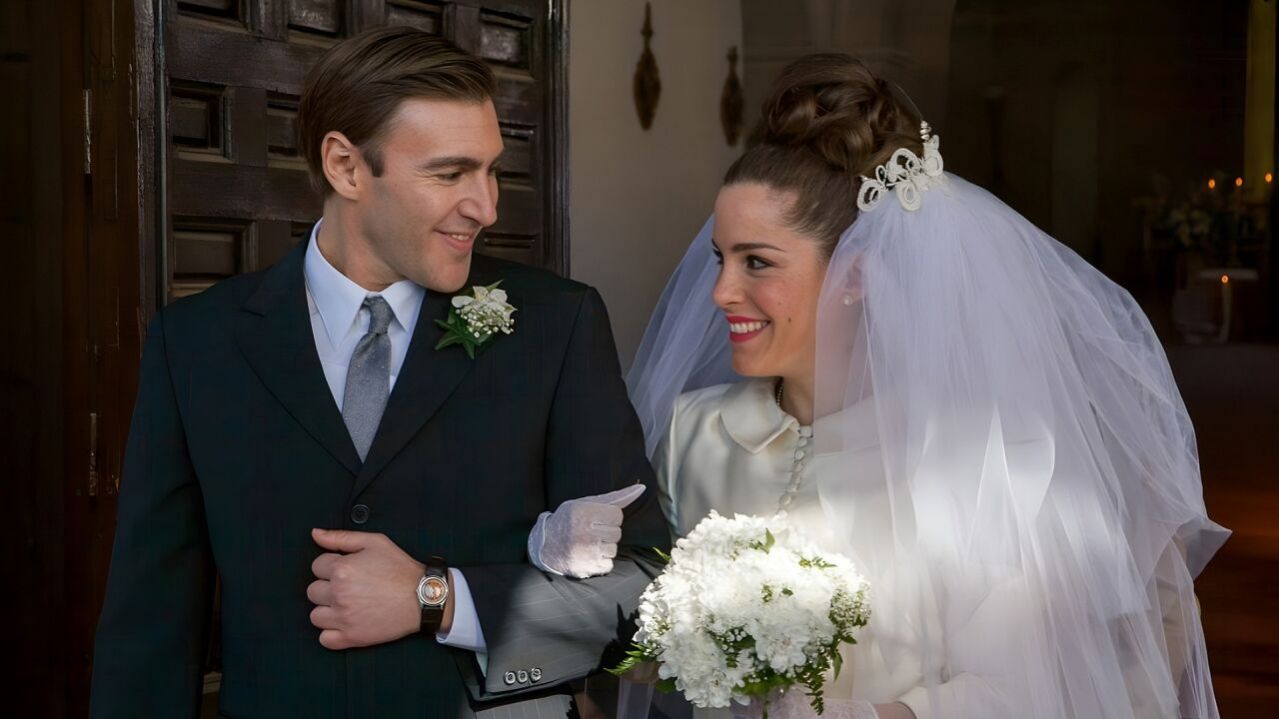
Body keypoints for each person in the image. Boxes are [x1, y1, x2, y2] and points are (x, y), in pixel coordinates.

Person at [534, 55, 1228, 719]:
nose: (720, 291)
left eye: (757, 262)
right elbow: (642, 641)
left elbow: (1037, 687)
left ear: (856, 274)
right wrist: (575, 571)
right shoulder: (693, 432)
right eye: (720, 258)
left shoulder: (977, 459)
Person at [89, 27, 668, 718]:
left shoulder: (557, 324)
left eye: (490, 170)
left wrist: (439, 598)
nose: (486, 207)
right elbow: (149, 624)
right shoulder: (197, 341)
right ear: (345, 166)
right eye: (449, 174)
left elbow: (644, 587)